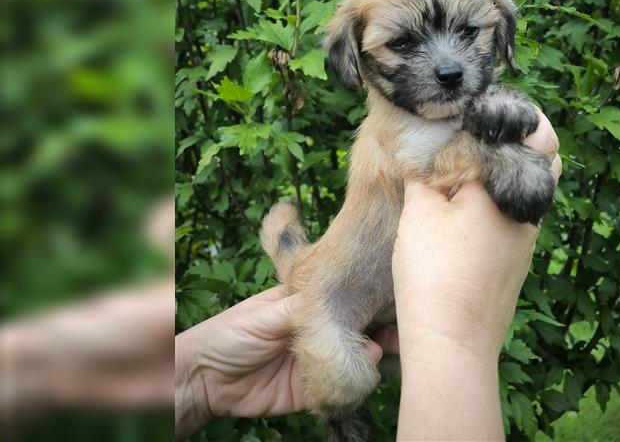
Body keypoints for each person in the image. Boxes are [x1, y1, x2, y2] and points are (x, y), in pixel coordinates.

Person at [175, 109, 562, 441]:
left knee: (386, 360)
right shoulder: (393, 127)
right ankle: (339, 420)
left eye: (469, 34)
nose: (447, 64)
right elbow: (435, 166)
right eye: (402, 44)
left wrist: (199, 374)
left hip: (386, 303)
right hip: (333, 300)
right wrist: (456, 338)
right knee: (345, 383)